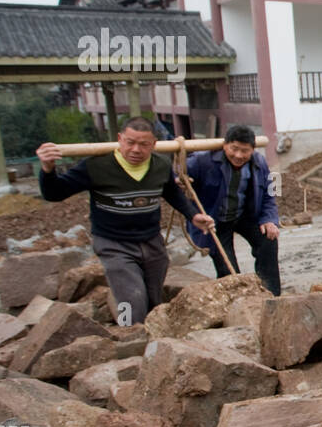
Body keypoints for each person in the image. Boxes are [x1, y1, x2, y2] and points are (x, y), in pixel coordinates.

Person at [36, 117, 215, 325]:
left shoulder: (160, 165)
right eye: (130, 142)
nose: (136, 149)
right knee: (131, 299)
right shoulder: (96, 166)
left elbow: (172, 192)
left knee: (153, 298)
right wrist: (48, 169)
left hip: (151, 241)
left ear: (154, 145)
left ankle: (153, 337)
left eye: (143, 144)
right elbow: (54, 193)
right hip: (114, 243)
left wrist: (193, 215)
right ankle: (127, 332)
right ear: (120, 139)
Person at [184, 124, 281, 295]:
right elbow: (177, 177)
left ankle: (271, 294)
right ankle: (237, 302)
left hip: (244, 216)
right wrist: (180, 180)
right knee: (229, 272)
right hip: (216, 221)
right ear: (225, 145)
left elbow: (269, 193)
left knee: (269, 238)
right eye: (234, 149)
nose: (238, 155)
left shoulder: (259, 162)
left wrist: (269, 219)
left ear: (252, 150)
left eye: (245, 151)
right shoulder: (202, 161)